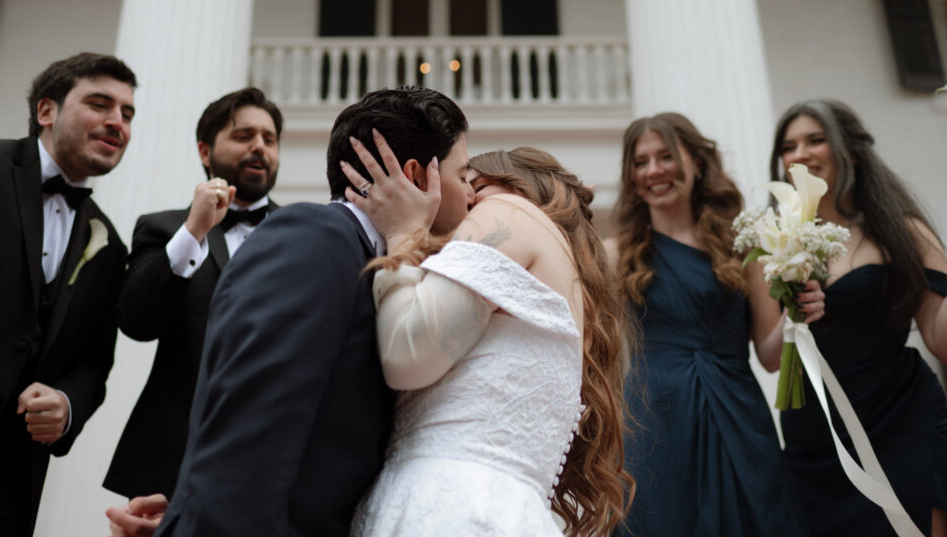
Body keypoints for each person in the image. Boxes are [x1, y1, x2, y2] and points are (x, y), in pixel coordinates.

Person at [108, 86, 474, 537]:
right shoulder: (314, 237)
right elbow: (252, 429)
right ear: (418, 177)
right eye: (465, 174)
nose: (472, 194)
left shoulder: (365, 261)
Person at [340, 142, 634, 537]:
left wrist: (405, 233)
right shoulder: (564, 278)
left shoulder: (507, 210)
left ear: (504, 182)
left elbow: (406, 352)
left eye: (468, 181)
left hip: (454, 508)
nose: (462, 197)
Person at [0, 52, 136, 537]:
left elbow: (94, 362)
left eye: (127, 113)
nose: (116, 122)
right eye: (100, 103)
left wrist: (67, 404)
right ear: (47, 111)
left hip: (6, 484)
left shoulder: (109, 242)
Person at [606, 112, 824, 537]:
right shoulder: (615, 255)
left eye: (666, 156)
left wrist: (797, 314)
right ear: (631, 177)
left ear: (698, 163)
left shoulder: (744, 245)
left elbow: (770, 355)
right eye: (641, 162)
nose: (654, 170)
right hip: (655, 424)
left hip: (737, 416)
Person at [772, 99, 947, 537]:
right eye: (789, 145)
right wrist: (793, 312)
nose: (801, 153)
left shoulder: (898, 229)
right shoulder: (777, 241)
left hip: (900, 417)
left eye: (816, 139)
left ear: (849, 151)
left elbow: (937, 337)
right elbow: (771, 355)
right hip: (817, 433)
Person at [103, 87, 283, 500]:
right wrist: (193, 231)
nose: (259, 146)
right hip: (175, 456)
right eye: (244, 135)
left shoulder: (304, 234)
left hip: (272, 454)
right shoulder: (164, 229)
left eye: (269, 140)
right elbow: (137, 322)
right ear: (205, 151)